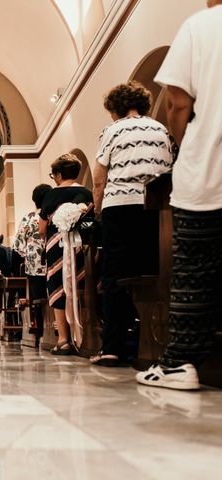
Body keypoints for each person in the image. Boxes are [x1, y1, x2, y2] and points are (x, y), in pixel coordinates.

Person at [136, 0, 222, 390]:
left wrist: (186, 143)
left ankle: (180, 363)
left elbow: (177, 102)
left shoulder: (201, 25)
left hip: (210, 173)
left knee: (195, 272)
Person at [91, 81, 173, 367]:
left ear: (114, 108)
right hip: (157, 208)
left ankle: (113, 348)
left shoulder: (112, 130)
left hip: (120, 207)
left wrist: (99, 210)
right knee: (154, 271)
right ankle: (158, 341)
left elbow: (99, 178)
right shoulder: (160, 129)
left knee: (114, 276)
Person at [38, 153, 93, 355]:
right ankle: (88, 335)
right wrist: (77, 228)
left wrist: (63, 228)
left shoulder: (51, 196)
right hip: (83, 248)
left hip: (57, 247)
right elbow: (91, 222)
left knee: (58, 288)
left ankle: (63, 339)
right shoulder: (87, 193)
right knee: (83, 285)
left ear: (58, 174)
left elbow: (42, 229)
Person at [13, 184, 53, 334]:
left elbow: (18, 245)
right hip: (56, 260)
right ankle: (59, 328)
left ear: (34, 200)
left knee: (38, 298)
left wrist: (28, 254)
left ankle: (41, 329)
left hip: (34, 265)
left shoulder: (28, 218)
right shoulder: (54, 214)